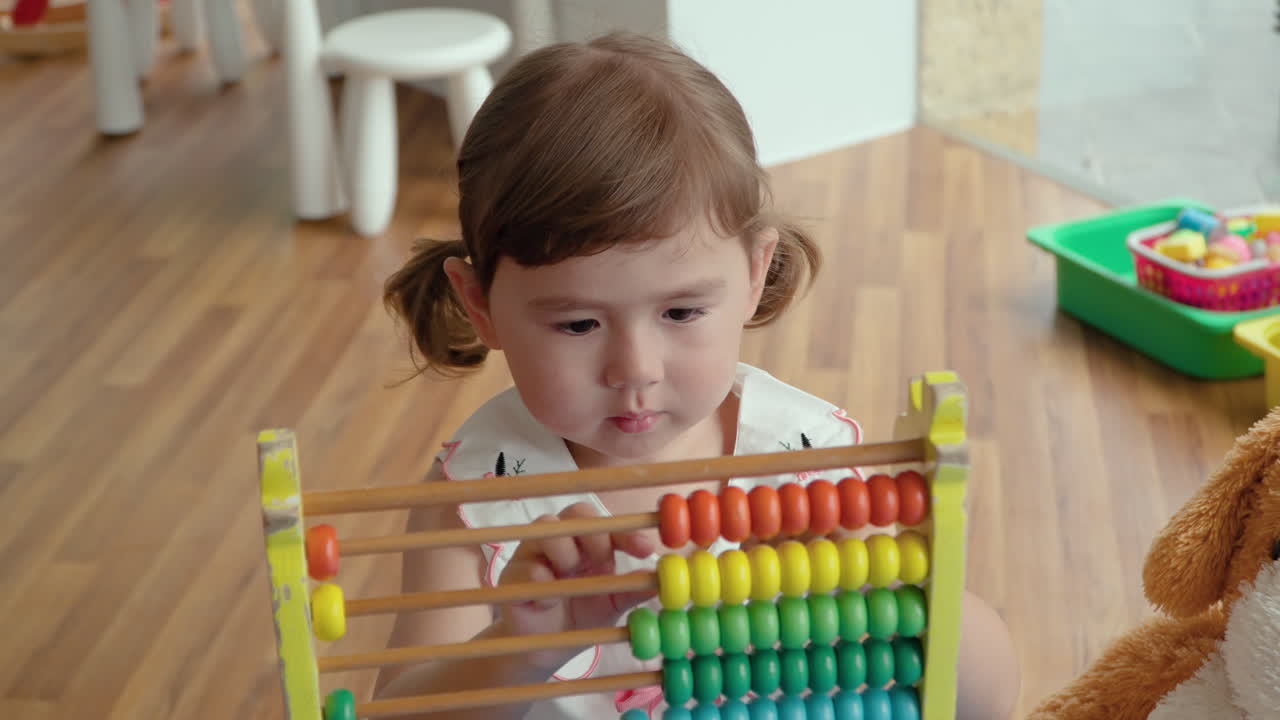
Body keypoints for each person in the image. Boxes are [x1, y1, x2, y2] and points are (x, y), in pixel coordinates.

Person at [374, 31, 1019, 720]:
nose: (635, 371)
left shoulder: (810, 466)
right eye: (578, 325)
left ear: (752, 274)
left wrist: (894, 586)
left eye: (680, 311)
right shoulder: (478, 504)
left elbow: (984, 699)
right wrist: (517, 646)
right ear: (482, 307)